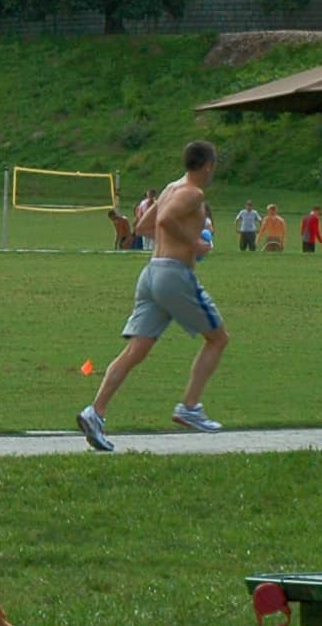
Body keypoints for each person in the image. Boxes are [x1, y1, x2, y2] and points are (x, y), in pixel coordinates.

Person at [77, 140, 232, 445]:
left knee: (137, 349)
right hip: (175, 275)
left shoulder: (171, 187)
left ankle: (95, 413)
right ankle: (189, 407)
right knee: (218, 338)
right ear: (208, 166)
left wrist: (172, 239)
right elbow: (163, 220)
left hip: (151, 273)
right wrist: (192, 243)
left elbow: (144, 225)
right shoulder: (193, 193)